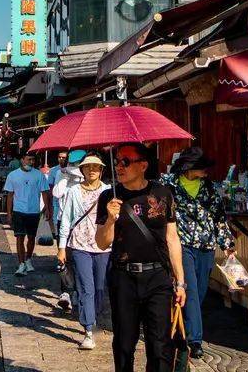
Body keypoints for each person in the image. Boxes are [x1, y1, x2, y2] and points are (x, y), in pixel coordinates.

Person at [96, 143, 187, 372]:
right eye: (116, 161)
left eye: (125, 161)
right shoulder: (109, 197)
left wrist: (181, 281)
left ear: (143, 165)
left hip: (158, 277)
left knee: (160, 346)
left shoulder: (163, 193)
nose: (119, 166)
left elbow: (172, 238)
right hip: (124, 277)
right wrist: (110, 220)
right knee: (125, 343)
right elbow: (101, 242)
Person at [161, 147, 235, 360]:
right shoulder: (169, 186)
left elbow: (219, 217)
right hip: (182, 245)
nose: (206, 171)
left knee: (199, 292)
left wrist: (227, 243)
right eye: (202, 167)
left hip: (206, 246)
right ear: (189, 167)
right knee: (191, 289)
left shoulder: (210, 188)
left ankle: (183, 324)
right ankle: (195, 340)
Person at [57, 154, 111, 351]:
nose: (92, 170)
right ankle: (88, 329)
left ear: (102, 170)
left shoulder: (109, 191)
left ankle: (92, 316)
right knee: (86, 287)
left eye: (96, 167)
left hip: (103, 245)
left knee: (99, 288)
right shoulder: (73, 191)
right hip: (79, 244)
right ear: (82, 170)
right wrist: (62, 247)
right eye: (88, 167)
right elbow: (66, 220)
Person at [49, 149, 85, 311]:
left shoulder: (86, 177)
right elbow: (57, 193)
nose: (73, 166)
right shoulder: (60, 174)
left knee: (80, 259)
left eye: (76, 164)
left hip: (83, 224)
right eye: (71, 163)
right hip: (64, 221)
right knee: (64, 258)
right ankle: (66, 292)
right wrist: (65, 176)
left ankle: (80, 292)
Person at [4, 151, 51, 276]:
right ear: (22, 160)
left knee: (31, 238)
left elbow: (45, 192)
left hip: (34, 211)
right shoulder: (13, 175)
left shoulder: (38, 175)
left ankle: (28, 259)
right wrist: (9, 213)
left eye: (32, 160)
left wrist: (47, 208)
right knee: (19, 237)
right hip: (18, 211)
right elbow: (10, 195)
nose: (31, 162)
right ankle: (21, 263)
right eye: (28, 159)